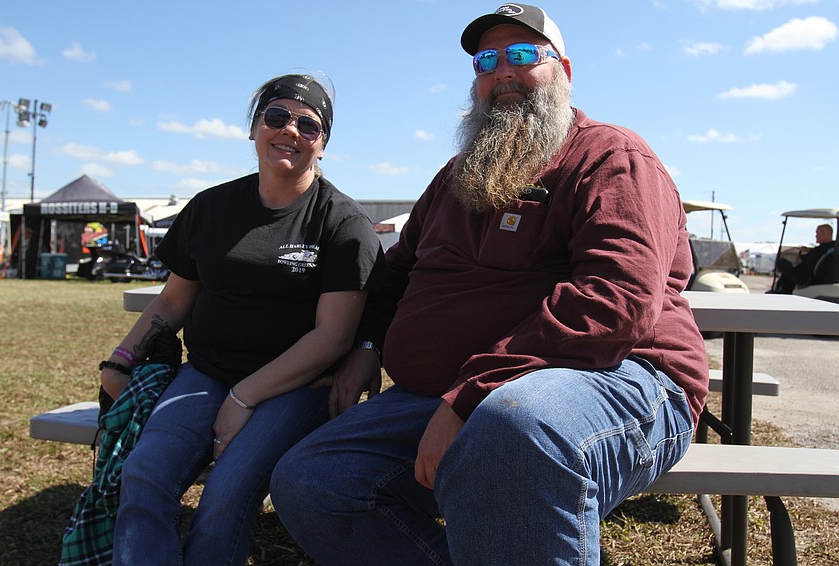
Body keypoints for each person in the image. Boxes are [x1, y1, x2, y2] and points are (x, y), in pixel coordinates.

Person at [270, 5, 709, 565]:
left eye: (524, 55)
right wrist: (366, 347)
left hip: (614, 377)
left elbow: (614, 298)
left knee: (515, 431)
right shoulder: (456, 175)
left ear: (564, 71)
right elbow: (395, 275)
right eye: (487, 60)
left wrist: (472, 396)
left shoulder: (610, 156)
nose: (503, 70)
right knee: (313, 480)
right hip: (451, 393)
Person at [100, 73, 384, 565]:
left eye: (308, 125)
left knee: (226, 494)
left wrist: (243, 396)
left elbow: (334, 335)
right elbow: (172, 301)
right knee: (144, 474)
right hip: (205, 373)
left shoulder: (343, 223)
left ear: (323, 146)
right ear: (254, 129)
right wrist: (123, 358)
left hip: (297, 388)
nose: (290, 131)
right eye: (276, 117)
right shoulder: (211, 207)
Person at [772, 223, 835, 293]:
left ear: (824, 234)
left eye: (817, 233)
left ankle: (785, 290)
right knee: (786, 274)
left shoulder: (818, 251)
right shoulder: (831, 247)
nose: (816, 236)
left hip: (804, 277)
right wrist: (808, 250)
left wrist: (804, 255)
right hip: (813, 276)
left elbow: (808, 262)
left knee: (781, 262)